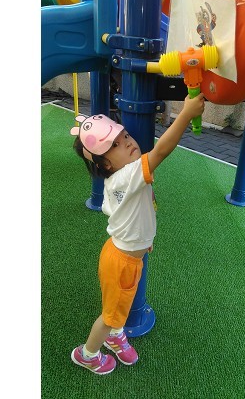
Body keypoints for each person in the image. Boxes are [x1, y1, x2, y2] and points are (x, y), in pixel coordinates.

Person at [69, 94, 206, 375]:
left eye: (125, 135)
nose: (128, 142)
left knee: (120, 306)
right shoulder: (129, 175)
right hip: (121, 262)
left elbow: (125, 216)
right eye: (115, 145)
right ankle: (88, 354)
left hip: (124, 254)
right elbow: (161, 151)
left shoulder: (116, 181)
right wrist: (186, 113)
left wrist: (143, 241)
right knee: (109, 315)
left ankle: (115, 336)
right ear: (106, 164)